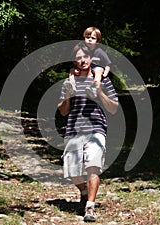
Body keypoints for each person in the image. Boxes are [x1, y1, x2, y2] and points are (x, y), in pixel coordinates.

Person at [58, 42, 118, 222]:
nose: (82, 60)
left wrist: (99, 91)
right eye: (78, 58)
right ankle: (84, 191)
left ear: (91, 58)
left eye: (85, 57)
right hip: (74, 129)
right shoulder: (69, 81)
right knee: (72, 171)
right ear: (74, 61)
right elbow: (63, 111)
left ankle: (89, 208)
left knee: (93, 166)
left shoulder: (103, 79)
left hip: (96, 127)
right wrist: (68, 94)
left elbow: (113, 108)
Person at [66, 27, 112, 99]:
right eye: (88, 37)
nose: (90, 39)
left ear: (97, 41)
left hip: (97, 69)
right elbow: (78, 61)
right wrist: (76, 69)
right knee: (71, 70)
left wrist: (105, 73)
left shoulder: (99, 51)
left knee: (98, 70)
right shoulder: (82, 49)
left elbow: (108, 64)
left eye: (93, 38)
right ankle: (72, 85)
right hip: (85, 69)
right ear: (84, 38)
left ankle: (93, 88)